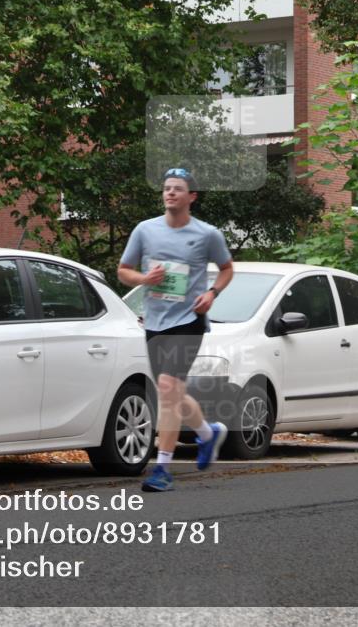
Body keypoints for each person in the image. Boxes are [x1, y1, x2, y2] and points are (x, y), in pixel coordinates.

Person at [118, 167, 234, 492]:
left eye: (177, 188)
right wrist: (144, 279)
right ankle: (208, 434)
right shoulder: (145, 230)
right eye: (167, 188)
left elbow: (226, 269)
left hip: (189, 321)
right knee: (172, 392)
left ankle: (163, 469)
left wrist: (212, 293)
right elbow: (123, 270)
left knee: (169, 388)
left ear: (191, 196)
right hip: (155, 321)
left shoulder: (207, 234)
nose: (170, 193)